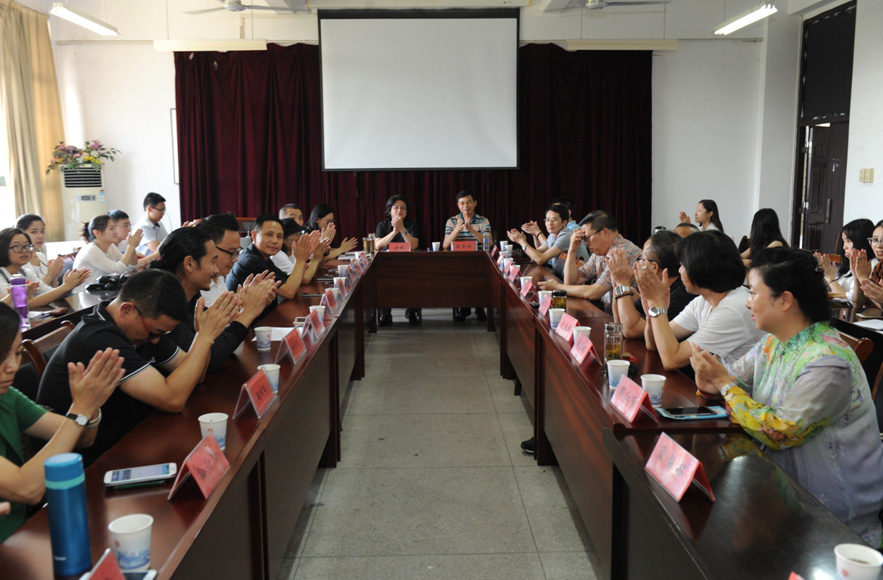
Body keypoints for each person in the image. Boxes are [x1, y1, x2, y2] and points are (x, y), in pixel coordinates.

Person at [690, 247, 883, 545]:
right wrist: (711, 377)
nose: (747, 302)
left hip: (834, 520)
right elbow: (730, 381)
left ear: (785, 300)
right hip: (780, 496)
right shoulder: (774, 341)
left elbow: (780, 432)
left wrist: (724, 384)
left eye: (753, 293)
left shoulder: (829, 361)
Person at [35, 269, 238, 465]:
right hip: (85, 463)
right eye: (154, 333)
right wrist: (204, 338)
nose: (156, 340)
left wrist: (203, 336)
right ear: (127, 310)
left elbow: (196, 376)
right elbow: (172, 399)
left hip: (127, 440)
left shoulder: (145, 328)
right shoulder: (100, 339)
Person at [0, 302, 124, 542]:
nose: (13, 366)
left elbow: (83, 437)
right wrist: (80, 410)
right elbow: (27, 489)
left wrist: (90, 408)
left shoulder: (7, 397)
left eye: (16, 353)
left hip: (19, 533)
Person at [152, 228, 276, 373]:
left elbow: (217, 335)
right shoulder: (164, 308)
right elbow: (209, 359)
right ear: (189, 264)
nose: (216, 270)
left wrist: (244, 305)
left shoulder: (192, 297)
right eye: (212, 261)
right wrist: (247, 313)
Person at [638, 230, 765, 370]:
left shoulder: (733, 308)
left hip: (739, 385)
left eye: (683, 265)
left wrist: (657, 304)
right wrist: (652, 311)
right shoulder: (703, 301)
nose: (679, 271)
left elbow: (672, 360)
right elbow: (653, 344)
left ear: (699, 268)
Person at [539, 210, 642, 309]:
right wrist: (572, 250)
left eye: (587, 237)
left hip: (631, 317)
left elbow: (594, 292)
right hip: (610, 313)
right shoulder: (599, 253)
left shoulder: (622, 252)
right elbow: (571, 282)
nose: (586, 242)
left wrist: (557, 287)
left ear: (605, 232)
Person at [608, 230, 695, 339]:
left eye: (641, 259)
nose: (637, 264)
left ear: (653, 267)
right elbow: (620, 323)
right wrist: (618, 284)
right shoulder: (655, 290)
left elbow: (631, 330)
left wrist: (623, 284)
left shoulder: (681, 296)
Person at [226, 215, 321, 300]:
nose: (275, 241)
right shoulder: (251, 261)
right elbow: (289, 292)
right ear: (254, 236)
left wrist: (305, 256)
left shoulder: (262, 256)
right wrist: (300, 260)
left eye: (279, 236)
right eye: (269, 235)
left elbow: (290, 280)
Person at [0, 228, 90, 309]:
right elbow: (20, 304)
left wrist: (70, 286)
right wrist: (65, 287)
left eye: (27, 246)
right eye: (17, 246)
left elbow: (50, 293)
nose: (24, 251)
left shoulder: (25, 272)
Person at [443, 190, 491, 321]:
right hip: (457, 262)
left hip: (479, 261)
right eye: (462, 203)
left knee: (479, 273)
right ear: (458, 205)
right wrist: (457, 229)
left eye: (469, 202)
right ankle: (465, 307)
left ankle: (479, 307)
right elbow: (445, 245)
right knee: (461, 274)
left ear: (475, 203)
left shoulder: (483, 220)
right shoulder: (452, 221)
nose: (466, 206)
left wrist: (471, 230)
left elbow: (489, 242)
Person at [507, 204, 588, 279]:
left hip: (577, 280)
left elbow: (540, 259)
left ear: (564, 222)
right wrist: (523, 241)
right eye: (547, 220)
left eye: (554, 220)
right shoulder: (552, 235)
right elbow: (535, 256)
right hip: (562, 276)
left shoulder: (566, 235)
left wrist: (521, 242)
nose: (549, 223)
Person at [374, 195, 421, 326]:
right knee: (382, 281)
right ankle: (386, 314)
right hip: (387, 266)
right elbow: (378, 245)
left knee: (416, 279)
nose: (399, 210)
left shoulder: (412, 225)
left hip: (409, 266)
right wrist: (394, 232)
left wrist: (402, 229)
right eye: (396, 207)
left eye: (403, 207)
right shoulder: (382, 225)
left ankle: (411, 312)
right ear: (390, 210)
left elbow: (414, 245)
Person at [72, 215, 140, 291]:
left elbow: (131, 267)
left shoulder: (111, 247)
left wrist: (132, 247)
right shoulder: (91, 250)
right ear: (97, 233)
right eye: (111, 229)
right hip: (85, 293)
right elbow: (118, 269)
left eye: (115, 228)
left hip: (103, 291)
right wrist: (131, 246)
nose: (115, 232)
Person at [815, 218, 875, 304]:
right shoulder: (848, 266)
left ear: (861, 241)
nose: (844, 247)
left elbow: (850, 300)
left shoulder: (871, 266)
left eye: (848, 241)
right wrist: (826, 276)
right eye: (844, 241)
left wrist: (830, 278)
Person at [198, 212, 242, 307]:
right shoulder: (198, 288)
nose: (236, 259)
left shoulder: (219, 276)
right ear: (210, 247)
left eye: (237, 252)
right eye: (231, 252)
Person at [15, 214, 63, 288]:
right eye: (34, 232)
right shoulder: (19, 261)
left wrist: (55, 276)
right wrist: (50, 275)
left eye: (42, 231)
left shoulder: (41, 256)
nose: (40, 236)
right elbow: (33, 292)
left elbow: (53, 288)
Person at [849, 220, 883, 317]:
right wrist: (857, 277)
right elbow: (858, 304)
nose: (879, 246)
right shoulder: (879, 267)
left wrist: (863, 279)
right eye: (875, 240)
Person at [132, 192, 168, 257]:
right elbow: (158, 250)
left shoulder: (159, 224)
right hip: (146, 262)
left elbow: (168, 243)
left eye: (164, 210)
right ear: (149, 209)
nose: (163, 213)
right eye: (161, 210)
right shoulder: (142, 227)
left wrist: (179, 234)